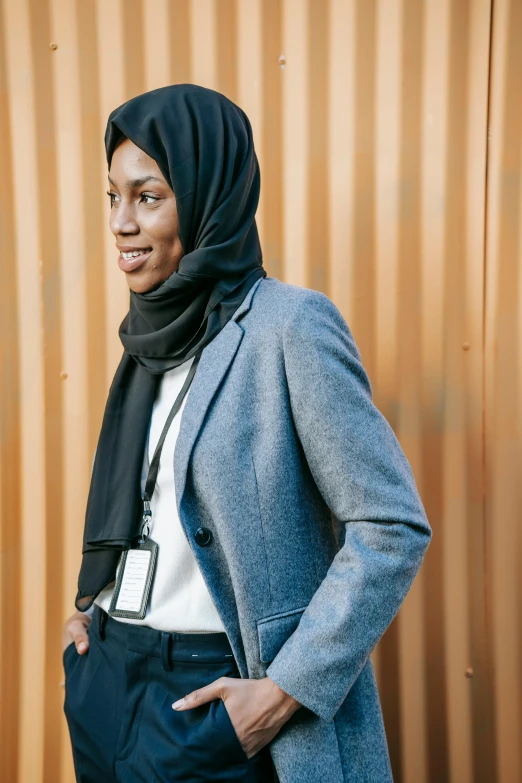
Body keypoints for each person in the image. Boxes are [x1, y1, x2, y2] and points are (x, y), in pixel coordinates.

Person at [62, 83, 431, 783]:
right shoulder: (148, 339)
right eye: (112, 196)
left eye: (147, 196)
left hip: (216, 701)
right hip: (108, 677)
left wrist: (283, 690)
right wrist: (93, 615)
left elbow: (392, 523)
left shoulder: (288, 327)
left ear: (206, 198)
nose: (120, 222)